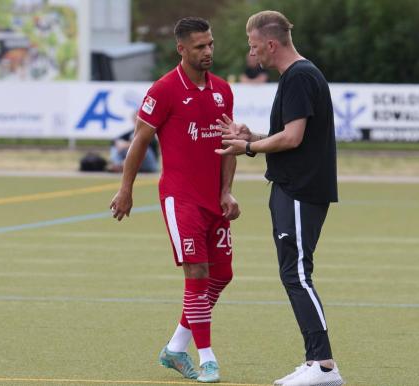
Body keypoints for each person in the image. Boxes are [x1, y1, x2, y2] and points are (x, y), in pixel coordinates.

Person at [215, 10, 344, 386]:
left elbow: (292, 138)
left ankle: (323, 366)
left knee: (298, 274)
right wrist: (251, 136)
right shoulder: (297, 76)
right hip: (292, 188)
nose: (253, 55)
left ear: (271, 44)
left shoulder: (300, 76)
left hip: (302, 191)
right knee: (294, 274)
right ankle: (315, 361)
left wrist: (249, 148)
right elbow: (285, 136)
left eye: (254, 47)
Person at [110, 17, 239, 383]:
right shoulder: (164, 89)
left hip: (215, 201)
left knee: (222, 275)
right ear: (181, 49)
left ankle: (175, 348)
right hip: (180, 199)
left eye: (210, 44)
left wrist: (227, 190)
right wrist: (126, 188)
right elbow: (139, 141)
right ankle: (208, 359)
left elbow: (227, 144)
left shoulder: (223, 91)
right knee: (196, 273)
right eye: (200, 46)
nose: (208, 51)